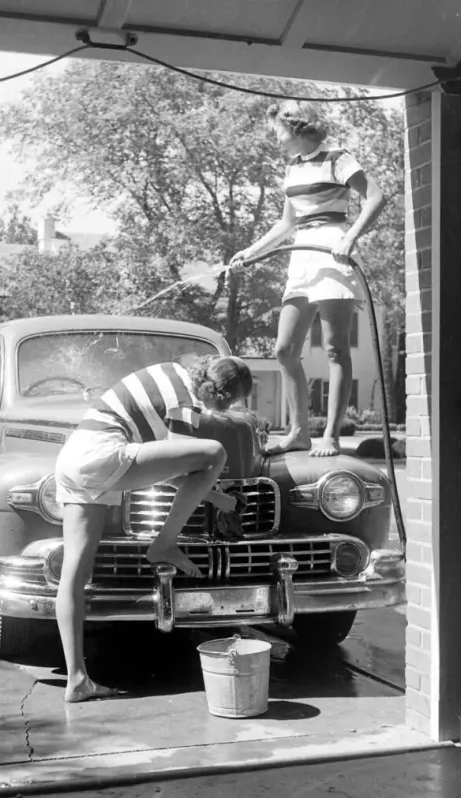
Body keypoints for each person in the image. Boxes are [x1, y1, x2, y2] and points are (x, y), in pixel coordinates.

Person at [54, 354, 253, 702]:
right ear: (221, 396)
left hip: (73, 459)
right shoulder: (185, 402)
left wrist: (217, 499)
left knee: (75, 573)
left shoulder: (171, 374)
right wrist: (220, 499)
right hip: (104, 454)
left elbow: (166, 469)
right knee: (215, 452)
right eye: (230, 403)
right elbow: (181, 468)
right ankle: (164, 543)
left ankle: (77, 679)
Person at [230, 100, 386, 457]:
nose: (276, 138)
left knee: (336, 348)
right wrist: (250, 253)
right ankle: (299, 432)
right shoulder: (291, 167)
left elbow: (376, 196)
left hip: (333, 250)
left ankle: (330, 435)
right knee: (284, 349)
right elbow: (286, 223)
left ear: (296, 126)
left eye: (278, 131)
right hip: (301, 255)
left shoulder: (338, 157)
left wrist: (349, 239)